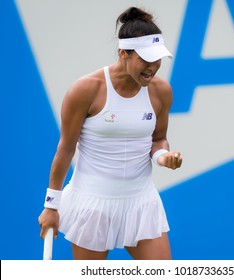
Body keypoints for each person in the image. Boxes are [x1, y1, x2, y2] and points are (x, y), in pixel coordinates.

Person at [38, 6, 182, 260]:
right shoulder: (85, 90)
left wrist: (163, 157)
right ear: (123, 53)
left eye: (157, 59)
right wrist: (51, 205)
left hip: (141, 204)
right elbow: (66, 149)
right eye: (146, 59)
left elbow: (158, 140)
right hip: (92, 206)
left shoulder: (161, 91)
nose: (153, 67)